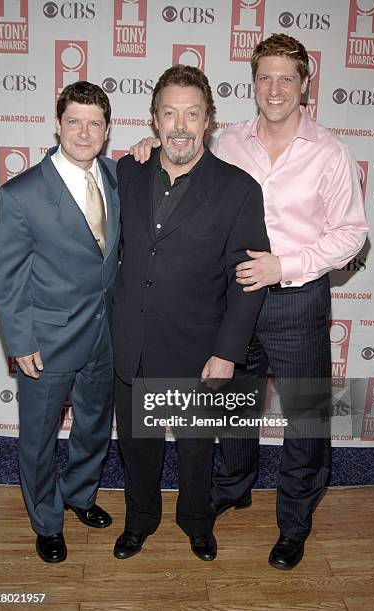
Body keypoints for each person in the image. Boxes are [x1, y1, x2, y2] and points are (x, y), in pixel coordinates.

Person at [129, 34, 368, 569]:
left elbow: (352, 233)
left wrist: (284, 265)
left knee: (306, 416)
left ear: (305, 84)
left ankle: (294, 523)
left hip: (294, 301)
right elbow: (180, 158)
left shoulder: (329, 151)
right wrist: (144, 151)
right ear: (253, 82)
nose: (275, 88)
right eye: (265, 77)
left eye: (287, 77)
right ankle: (232, 487)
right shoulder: (228, 140)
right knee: (232, 408)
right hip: (231, 302)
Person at [112, 65, 269, 562]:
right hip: (132, 342)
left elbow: (245, 284)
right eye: (169, 113)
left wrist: (227, 353)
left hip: (198, 351)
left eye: (192, 114)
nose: (180, 125)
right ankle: (139, 520)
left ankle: (197, 522)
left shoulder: (238, 189)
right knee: (138, 445)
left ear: (208, 121)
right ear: (155, 119)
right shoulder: (126, 171)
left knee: (198, 447)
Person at [0, 81, 121, 564]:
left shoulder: (113, 175)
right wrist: (20, 339)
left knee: (93, 425)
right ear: (58, 124)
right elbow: (6, 278)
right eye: (74, 121)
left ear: (106, 130)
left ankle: (80, 496)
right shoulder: (21, 193)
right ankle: (46, 521)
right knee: (39, 437)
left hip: (104, 334)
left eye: (94, 123)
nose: (84, 132)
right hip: (45, 341)